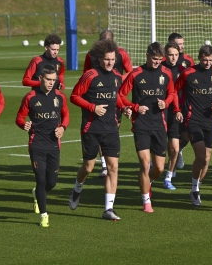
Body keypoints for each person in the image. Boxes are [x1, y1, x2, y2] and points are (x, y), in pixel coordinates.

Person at [68, 39, 131, 221]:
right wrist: (92, 107)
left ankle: (108, 209)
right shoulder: (90, 75)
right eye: (107, 59)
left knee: (113, 167)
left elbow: (116, 97)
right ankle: (77, 189)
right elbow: (74, 96)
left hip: (111, 128)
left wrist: (124, 107)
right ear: (99, 59)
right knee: (88, 167)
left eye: (113, 59)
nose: (110, 62)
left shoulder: (118, 77)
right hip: (91, 128)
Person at [118, 42, 175, 213]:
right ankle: (146, 200)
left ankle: (147, 181)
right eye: (154, 59)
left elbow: (172, 93)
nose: (157, 62)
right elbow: (120, 95)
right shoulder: (136, 74)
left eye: (159, 59)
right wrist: (134, 107)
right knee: (144, 163)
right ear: (147, 55)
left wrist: (166, 102)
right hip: (141, 124)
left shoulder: (167, 73)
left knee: (158, 168)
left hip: (159, 124)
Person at [174, 45, 212, 206]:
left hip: (210, 121)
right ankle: (195, 189)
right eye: (205, 60)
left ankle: (195, 189)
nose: (207, 63)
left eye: (211, 60)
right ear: (199, 58)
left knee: (206, 160)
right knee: (200, 156)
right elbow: (173, 90)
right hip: (193, 120)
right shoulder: (188, 73)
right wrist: (177, 109)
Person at [16, 65, 70, 227]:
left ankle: (37, 194)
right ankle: (44, 215)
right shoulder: (30, 97)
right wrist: (23, 125)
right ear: (40, 79)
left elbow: (66, 115)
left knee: (51, 182)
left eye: (54, 80)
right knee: (40, 179)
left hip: (54, 145)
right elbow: (19, 117)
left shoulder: (60, 97)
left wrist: (62, 128)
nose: (51, 83)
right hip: (36, 144)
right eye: (48, 79)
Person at [83, 29, 134, 178]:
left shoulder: (121, 53)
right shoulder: (90, 55)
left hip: (114, 94)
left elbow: (130, 72)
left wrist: (115, 81)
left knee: (112, 128)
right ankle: (104, 164)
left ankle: (109, 161)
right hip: (95, 96)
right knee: (99, 128)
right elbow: (85, 73)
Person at [164, 33, 195, 170]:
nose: (181, 46)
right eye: (178, 44)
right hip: (165, 106)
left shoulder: (187, 61)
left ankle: (177, 151)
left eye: (182, 43)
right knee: (165, 136)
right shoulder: (162, 64)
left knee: (186, 135)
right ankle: (165, 161)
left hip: (183, 105)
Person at [161, 42, 185, 190]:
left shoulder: (183, 70)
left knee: (175, 148)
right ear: (165, 55)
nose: (173, 57)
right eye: (170, 54)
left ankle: (168, 177)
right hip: (159, 112)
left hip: (176, 112)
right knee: (159, 146)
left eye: (176, 55)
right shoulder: (160, 69)